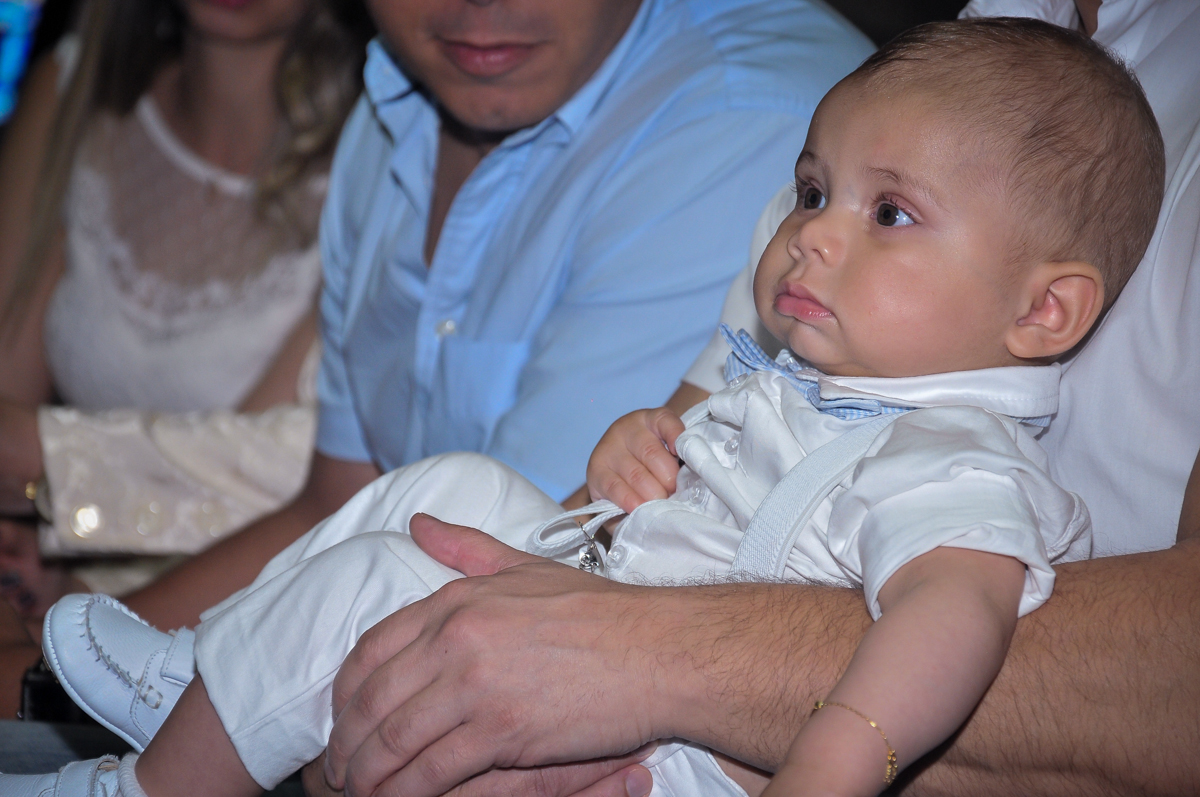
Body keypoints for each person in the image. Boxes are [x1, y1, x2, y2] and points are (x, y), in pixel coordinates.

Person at [5, 17, 1165, 797]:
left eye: (886, 215)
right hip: (601, 611)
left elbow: (952, 620)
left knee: (409, 573)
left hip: (681, 746)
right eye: (812, 191)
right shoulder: (381, 118)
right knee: (443, 491)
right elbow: (339, 480)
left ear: (1045, 312)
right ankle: (200, 686)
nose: (808, 226)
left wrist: (831, 762)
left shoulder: (953, 454)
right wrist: (641, 450)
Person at [97, 0, 873, 639]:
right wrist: (66, 662)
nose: (479, 7)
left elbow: (507, 577)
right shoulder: (394, 95)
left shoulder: (744, 121)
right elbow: (336, 500)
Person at [0, 0, 371, 619]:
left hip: (239, 612)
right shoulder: (75, 95)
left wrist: (62, 625)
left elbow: (272, 491)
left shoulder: (382, 162)